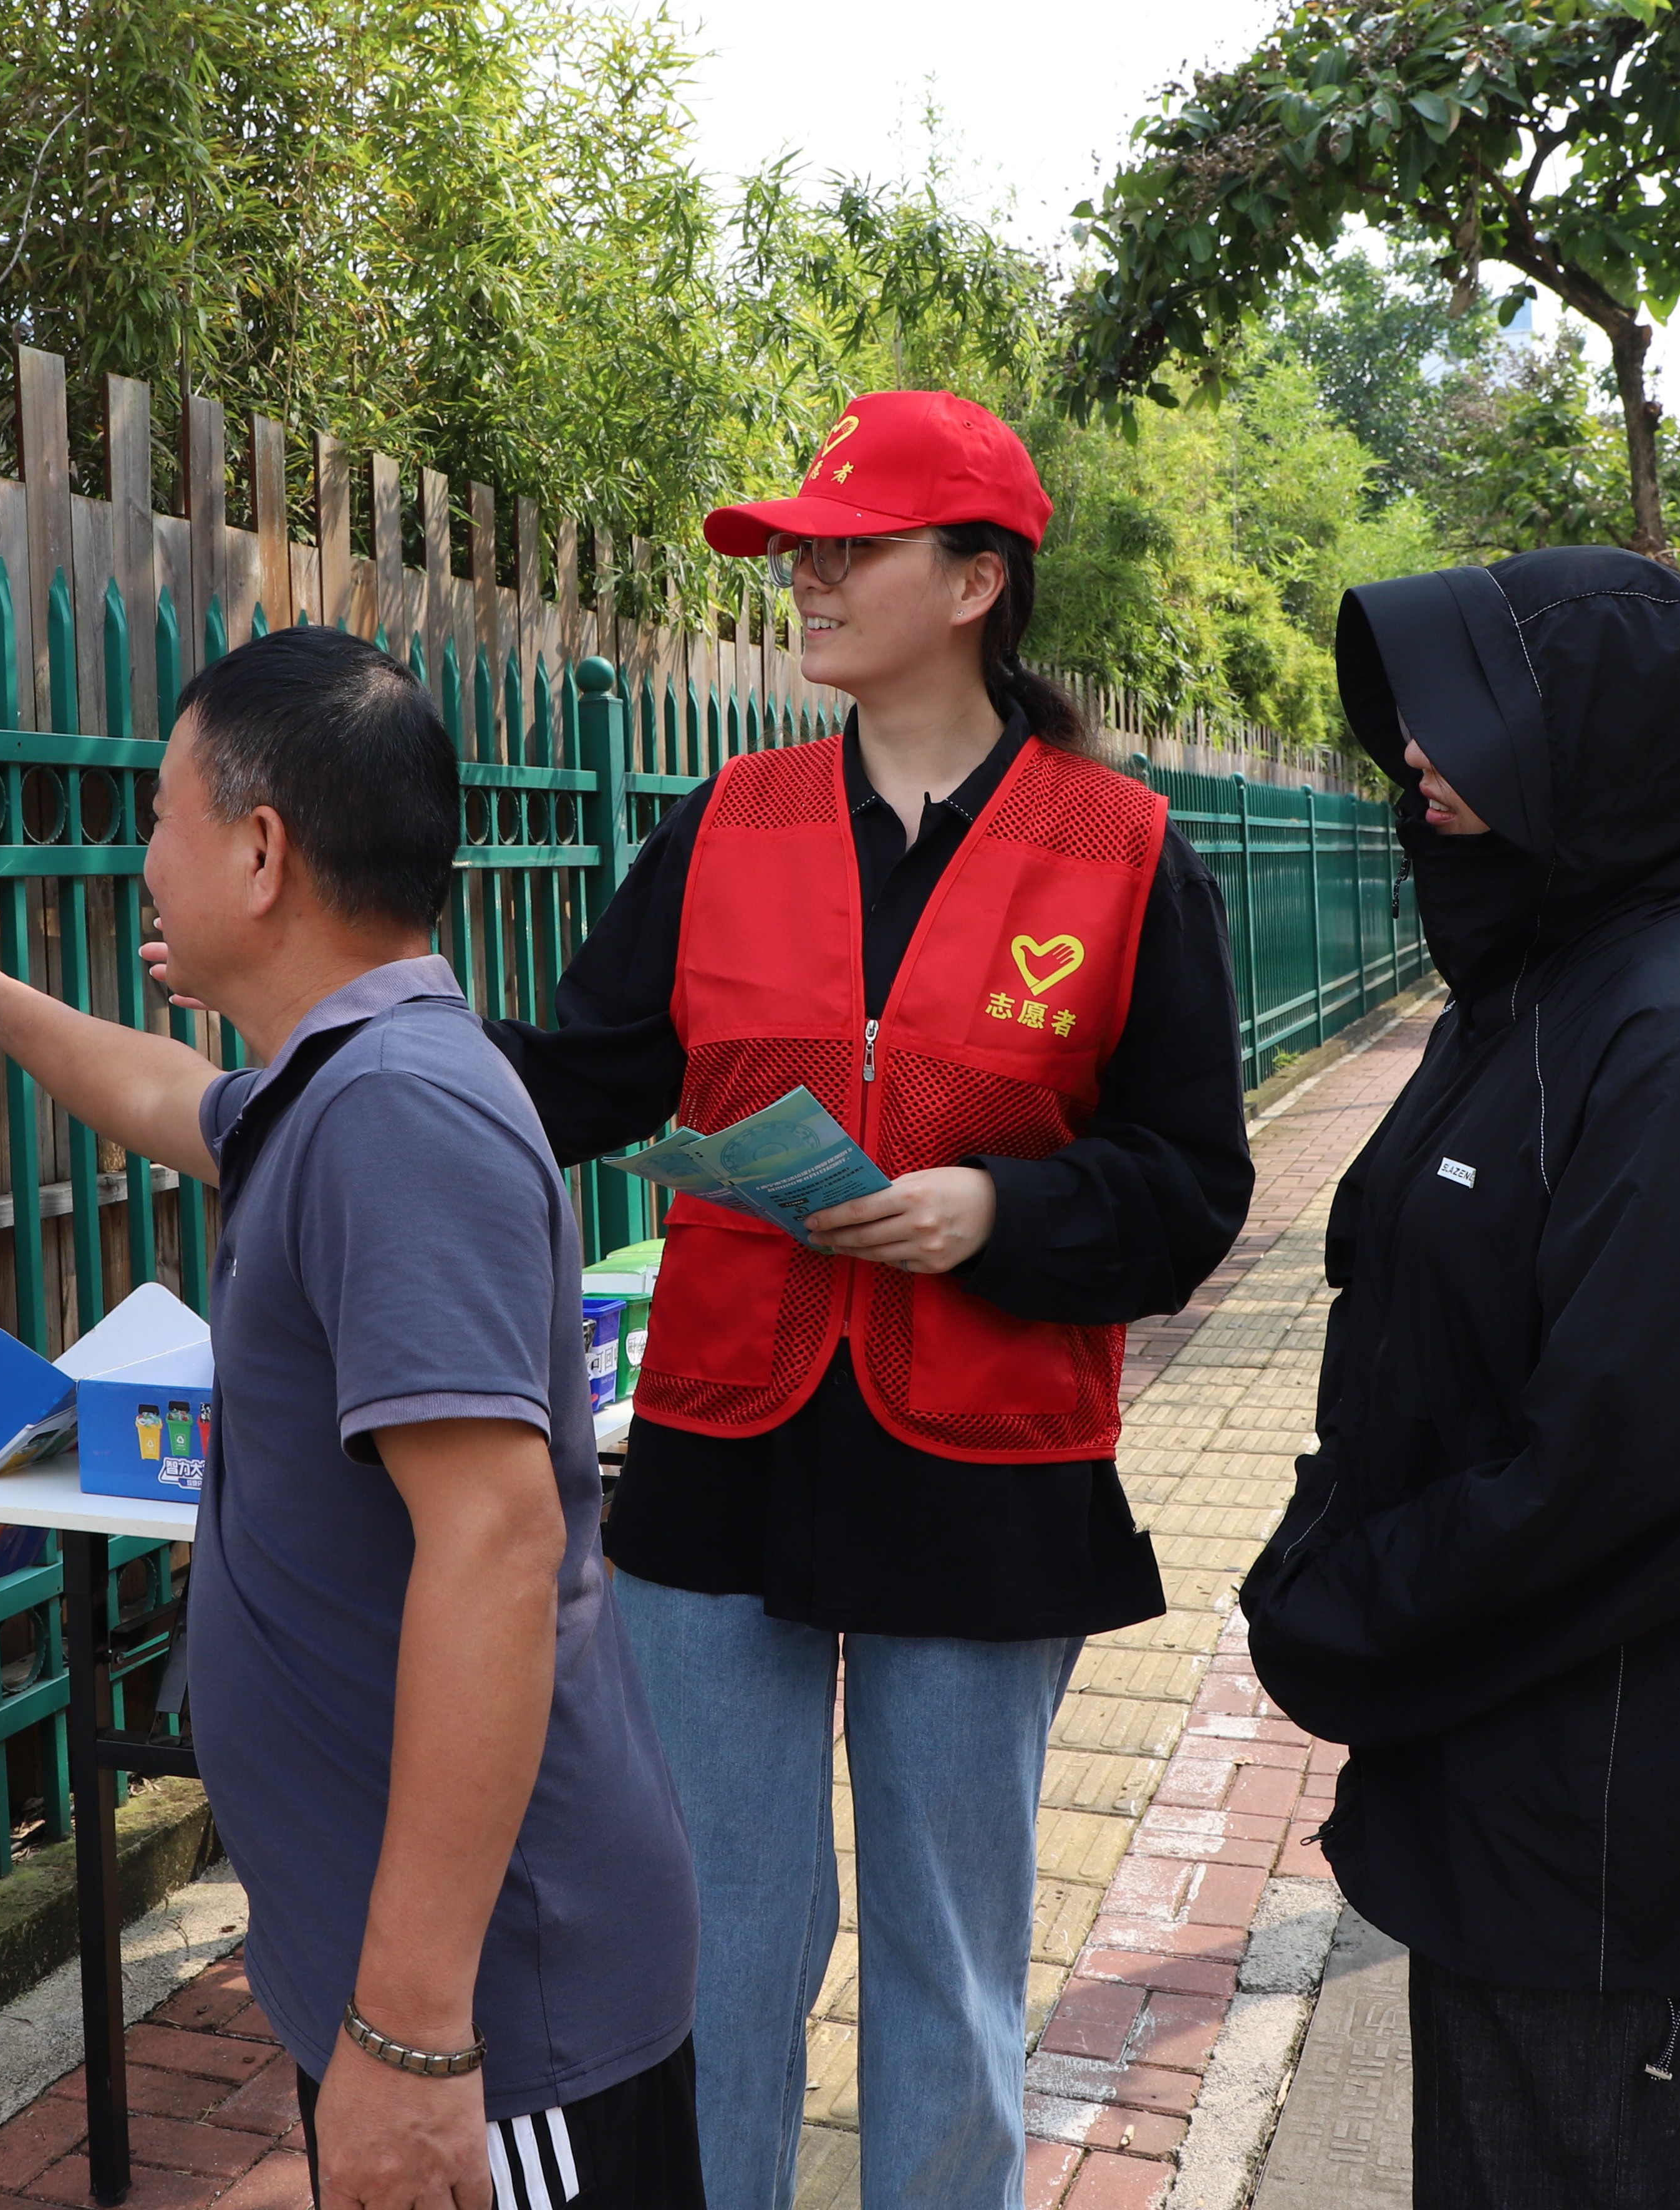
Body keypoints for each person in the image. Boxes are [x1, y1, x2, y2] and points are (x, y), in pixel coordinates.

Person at [483, 392, 1250, 2210]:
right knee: (712, 1935)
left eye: (848, 548)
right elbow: (579, 1078)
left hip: (984, 1463)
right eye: (796, 551)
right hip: (723, 1443)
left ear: (978, 582)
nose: (806, 580)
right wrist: (331, 1036)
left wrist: (999, 1207)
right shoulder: (722, 825)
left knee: (951, 1951)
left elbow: (1190, 1183)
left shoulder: (1124, 850)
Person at [0, 627, 705, 2210]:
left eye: (163, 816)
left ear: (261, 853)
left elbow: (497, 1542)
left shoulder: (394, 1113)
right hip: (447, 1994)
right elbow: (163, 1093)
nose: (144, 858)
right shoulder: (341, 1085)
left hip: (497, 2017)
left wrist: (412, 2034)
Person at [1237, 546, 1680, 2210]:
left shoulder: (1661, 1036)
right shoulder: (1536, 983)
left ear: (1598, 752)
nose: (1415, 753)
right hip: (1515, 1763)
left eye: (1466, 715)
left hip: (1615, 1813)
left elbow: (1628, 1461)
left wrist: (1343, 1598)